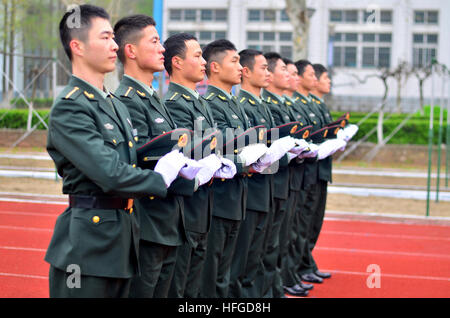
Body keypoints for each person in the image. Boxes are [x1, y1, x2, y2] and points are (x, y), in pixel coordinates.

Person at [45, 4, 188, 298]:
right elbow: (109, 173)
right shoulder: (71, 106)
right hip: (89, 249)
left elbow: (134, 162)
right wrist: (159, 179)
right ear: (78, 47)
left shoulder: (114, 103)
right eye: (105, 37)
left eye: (113, 38)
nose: (114, 46)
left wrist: (186, 171)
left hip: (124, 242)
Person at [114, 15, 199, 298]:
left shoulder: (153, 98)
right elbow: (139, 163)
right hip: (148, 224)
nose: (162, 49)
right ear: (131, 51)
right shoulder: (127, 99)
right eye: (154, 41)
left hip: (169, 220)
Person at [163, 33, 235, 298]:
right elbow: (193, 150)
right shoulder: (174, 104)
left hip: (205, 203)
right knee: (180, 283)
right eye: (197, 56)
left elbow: (213, 144)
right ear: (177, 63)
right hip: (188, 204)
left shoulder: (199, 102)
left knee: (195, 281)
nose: (203, 61)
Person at [228, 49, 296, 298]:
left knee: (263, 251)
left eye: (269, 68)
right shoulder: (244, 105)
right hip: (253, 187)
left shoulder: (260, 105)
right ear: (247, 72)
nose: (267, 73)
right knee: (244, 259)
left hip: (268, 187)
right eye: (264, 68)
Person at [199, 39, 250, 298]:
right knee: (212, 273)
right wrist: (251, 161)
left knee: (225, 271)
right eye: (234, 61)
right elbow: (218, 151)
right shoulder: (210, 103)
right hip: (219, 198)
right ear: (215, 67)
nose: (241, 67)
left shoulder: (234, 103)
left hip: (236, 196)